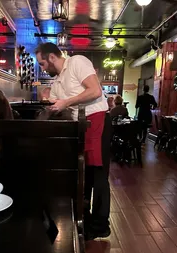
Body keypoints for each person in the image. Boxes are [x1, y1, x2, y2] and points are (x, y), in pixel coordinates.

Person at [35, 42, 111, 239]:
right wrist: (45, 100)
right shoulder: (58, 81)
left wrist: (66, 102)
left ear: (52, 57)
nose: (42, 69)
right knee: (86, 172)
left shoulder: (77, 62)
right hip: (82, 125)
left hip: (97, 119)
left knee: (99, 175)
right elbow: (53, 104)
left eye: (42, 64)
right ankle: (85, 218)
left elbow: (95, 91)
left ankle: (102, 225)